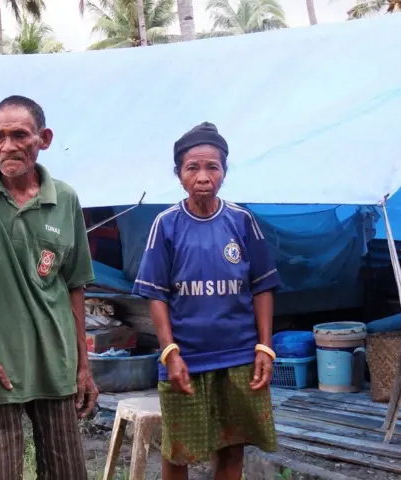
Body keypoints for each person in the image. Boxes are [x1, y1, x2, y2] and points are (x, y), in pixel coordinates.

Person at [0, 95, 98, 480]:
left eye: (19, 135)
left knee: (67, 472)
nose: (8, 146)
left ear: (44, 139)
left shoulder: (65, 199)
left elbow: (75, 286)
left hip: (56, 362)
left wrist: (83, 367)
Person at [132, 122, 281, 480]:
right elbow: (156, 295)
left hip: (240, 357)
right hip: (186, 359)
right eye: (192, 167)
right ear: (179, 175)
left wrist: (265, 346)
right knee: (179, 453)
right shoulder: (165, 224)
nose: (203, 176)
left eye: (212, 167)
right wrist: (170, 352)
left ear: (224, 173)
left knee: (233, 446)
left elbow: (262, 287)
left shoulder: (242, 221)